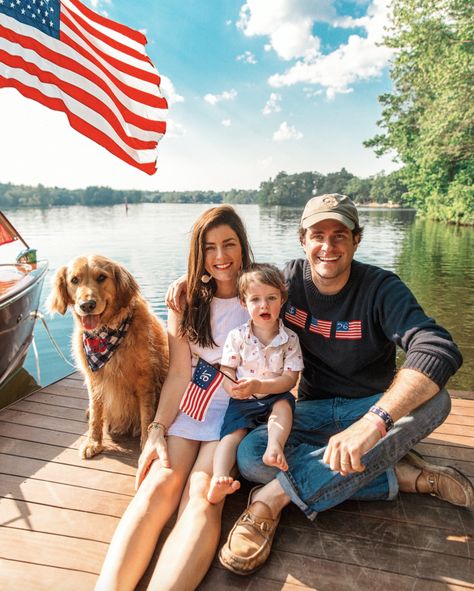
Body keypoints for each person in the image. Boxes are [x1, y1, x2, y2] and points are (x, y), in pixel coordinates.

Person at [215, 193, 472, 575]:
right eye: (318, 234)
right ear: (303, 240)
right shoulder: (285, 283)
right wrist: (190, 288)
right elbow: (234, 283)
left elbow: (437, 347)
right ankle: (400, 475)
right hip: (311, 410)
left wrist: (374, 423)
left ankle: (271, 500)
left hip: (368, 407)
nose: (328, 246)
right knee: (251, 456)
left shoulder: (381, 288)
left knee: (437, 401)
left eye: (340, 234)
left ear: (357, 239)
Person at [95, 205, 253, 591]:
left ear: (243, 246)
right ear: (198, 253)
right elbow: (180, 373)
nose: (220, 257)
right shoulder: (185, 300)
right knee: (159, 484)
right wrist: (156, 429)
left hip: (235, 411)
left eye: (228, 244)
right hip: (194, 406)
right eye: (209, 247)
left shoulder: (262, 293)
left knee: (201, 495)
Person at [207, 263, 304, 505]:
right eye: (256, 299)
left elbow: (290, 380)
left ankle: (274, 447)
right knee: (231, 436)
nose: (264, 305)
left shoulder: (290, 339)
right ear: (244, 303)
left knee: (283, 409)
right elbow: (227, 369)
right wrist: (232, 388)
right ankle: (218, 478)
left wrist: (260, 386)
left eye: (271, 298)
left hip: (273, 395)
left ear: (282, 299)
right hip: (244, 399)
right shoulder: (237, 336)